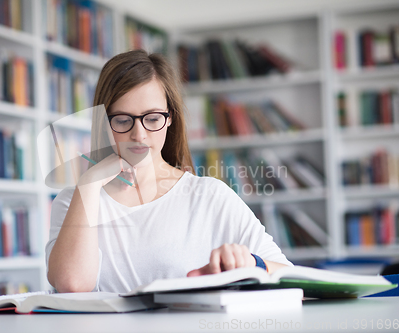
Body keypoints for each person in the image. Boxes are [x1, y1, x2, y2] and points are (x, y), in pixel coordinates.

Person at [46, 49, 292, 293]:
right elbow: (72, 285)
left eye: (152, 119)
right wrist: (88, 185)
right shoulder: (73, 201)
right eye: (122, 120)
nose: (139, 135)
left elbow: (288, 274)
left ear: (170, 118)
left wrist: (251, 263)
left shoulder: (209, 196)